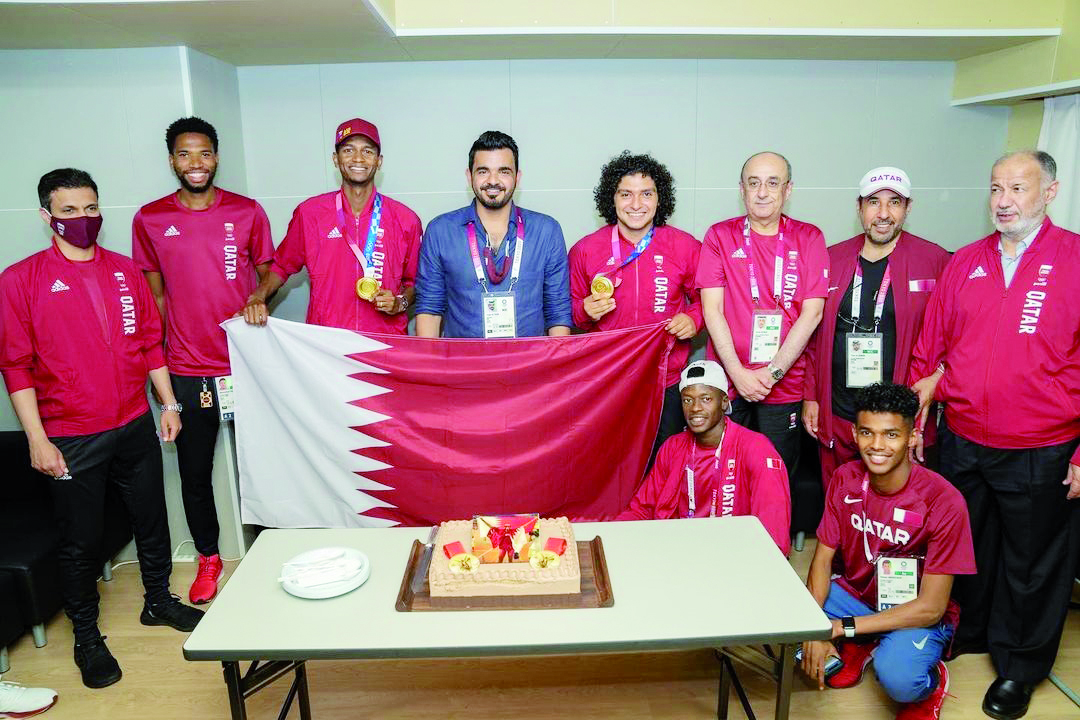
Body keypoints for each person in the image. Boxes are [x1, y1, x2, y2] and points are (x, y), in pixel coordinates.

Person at [0, 169, 203, 690]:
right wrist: (37, 439)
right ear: (47, 216)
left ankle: (158, 601)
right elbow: (15, 366)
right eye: (69, 210)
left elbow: (150, 343)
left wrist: (168, 404)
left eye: (90, 208)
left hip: (134, 421)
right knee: (80, 541)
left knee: (152, 519)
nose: (83, 218)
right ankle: (87, 638)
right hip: (72, 434)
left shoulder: (125, 270)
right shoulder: (20, 280)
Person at [909, 150, 1080, 720]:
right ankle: (971, 631)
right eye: (995, 189)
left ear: (1049, 192)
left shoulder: (1075, 258)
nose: (1003, 201)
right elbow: (930, 347)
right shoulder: (966, 261)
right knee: (966, 548)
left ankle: (1020, 668)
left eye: (1017, 188)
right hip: (963, 437)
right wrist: (919, 416)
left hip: (1041, 444)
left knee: (1031, 562)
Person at [132, 117, 275, 604]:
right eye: (185, 154)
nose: (196, 163)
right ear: (172, 160)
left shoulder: (247, 211)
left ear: (216, 157)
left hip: (245, 364)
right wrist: (158, 368)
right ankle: (209, 558)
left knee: (264, 463)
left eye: (204, 153)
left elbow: (269, 272)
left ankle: (271, 547)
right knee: (194, 473)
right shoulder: (151, 218)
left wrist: (258, 296)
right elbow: (154, 299)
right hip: (188, 369)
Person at [801, 383, 975, 720]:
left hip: (914, 611)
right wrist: (811, 628)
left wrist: (839, 628)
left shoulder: (945, 501)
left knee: (900, 680)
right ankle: (865, 641)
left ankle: (929, 683)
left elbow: (931, 608)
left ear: (912, 437)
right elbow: (822, 561)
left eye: (891, 434)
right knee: (785, 624)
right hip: (856, 596)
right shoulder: (845, 478)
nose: (877, 445)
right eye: (867, 432)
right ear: (854, 434)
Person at [696, 151, 829, 531]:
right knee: (722, 471)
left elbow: (812, 313)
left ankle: (771, 552)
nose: (762, 192)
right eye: (753, 183)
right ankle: (722, 546)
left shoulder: (809, 237)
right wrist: (738, 373)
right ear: (741, 189)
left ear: (788, 190)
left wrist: (772, 373)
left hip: (783, 385)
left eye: (773, 183)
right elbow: (711, 310)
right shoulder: (720, 235)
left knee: (775, 475)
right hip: (728, 381)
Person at [803, 167, 950, 488]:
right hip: (838, 410)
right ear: (859, 207)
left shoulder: (936, 261)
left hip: (897, 415)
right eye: (873, 202)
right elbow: (812, 336)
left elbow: (956, 334)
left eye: (894, 202)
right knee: (840, 495)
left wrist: (938, 377)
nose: (883, 213)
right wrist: (811, 396)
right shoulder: (832, 258)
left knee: (895, 500)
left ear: (908, 208)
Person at [568, 151, 701, 459]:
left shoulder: (685, 246)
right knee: (609, 461)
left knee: (664, 462)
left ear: (659, 198)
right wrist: (585, 311)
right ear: (612, 199)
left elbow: (708, 300)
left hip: (666, 381)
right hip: (608, 380)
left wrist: (694, 318)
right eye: (626, 194)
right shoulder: (585, 250)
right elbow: (567, 312)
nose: (637, 204)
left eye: (647, 193)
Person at [242, 117, 422, 331]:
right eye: (348, 150)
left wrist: (400, 302)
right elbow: (281, 266)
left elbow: (417, 284)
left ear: (379, 161)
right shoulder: (310, 213)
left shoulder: (406, 220)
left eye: (367, 151)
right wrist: (258, 296)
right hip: (327, 341)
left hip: (385, 341)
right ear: (335, 159)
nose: (358, 158)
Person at [617, 361, 791, 554]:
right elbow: (642, 508)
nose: (695, 408)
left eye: (706, 399)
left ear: (724, 402)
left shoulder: (756, 449)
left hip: (733, 554)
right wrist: (612, 537)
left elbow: (772, 535)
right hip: (678, 549)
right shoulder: (673, 447)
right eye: (687, 400)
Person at [415, 131, 572, 338]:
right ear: (469, 176)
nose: (493, 181)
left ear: (517, 177)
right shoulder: (440, 231)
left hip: (529, 358)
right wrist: (429, 359)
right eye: (483, 171)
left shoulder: (547, 231)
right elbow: (429, 309)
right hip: (463, 358)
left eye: (504, 171)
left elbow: (558, 313)